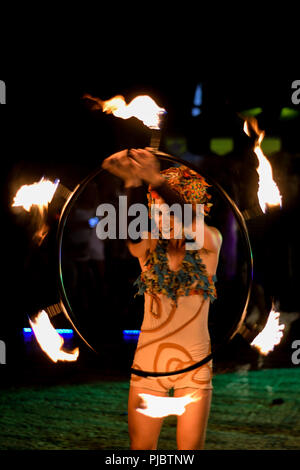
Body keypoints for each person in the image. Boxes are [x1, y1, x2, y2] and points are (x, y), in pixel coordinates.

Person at [102, 148, 222, 450]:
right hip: (147, 365)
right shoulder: (149, 246)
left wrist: (155, 179)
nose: (162, 217)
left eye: (167, 209)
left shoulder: (210, 244)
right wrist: (131, 182)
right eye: (155, 210)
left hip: (194, 367)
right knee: (141, 450)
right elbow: (131, 237)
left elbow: (187, 219)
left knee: (189, 451)